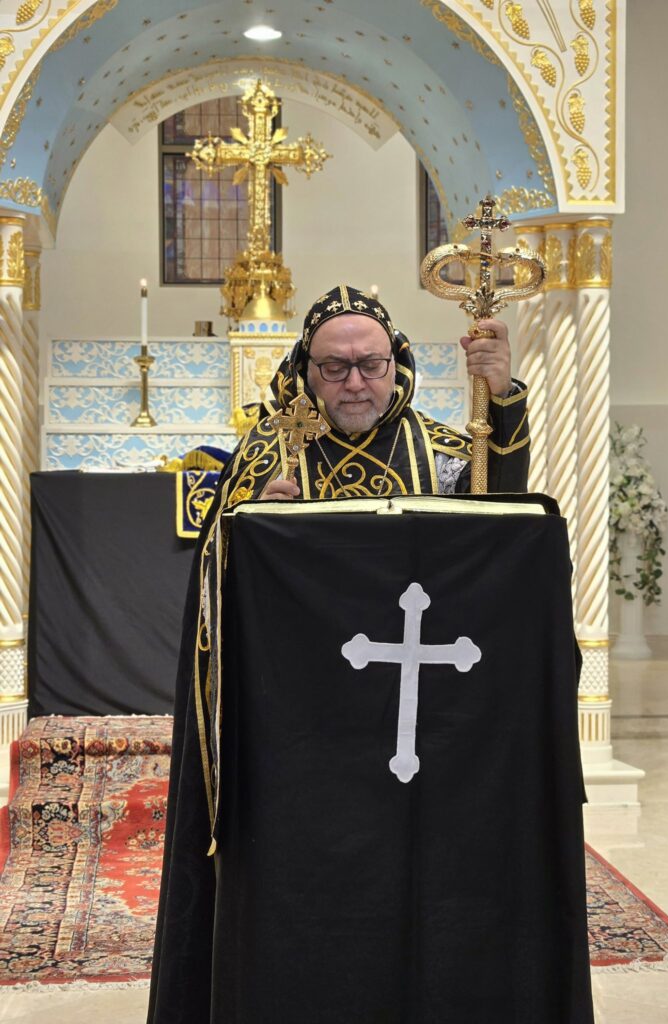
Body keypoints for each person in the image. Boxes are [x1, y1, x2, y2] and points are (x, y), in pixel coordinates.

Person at [146, 285, 533, 1023]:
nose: (355, 383)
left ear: (398, 364)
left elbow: (501, 546)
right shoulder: (269, 455)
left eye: (370, 365)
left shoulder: (448, 455)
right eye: (334, 368)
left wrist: (503, 396)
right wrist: (256, 531)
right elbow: (214, 593)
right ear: (305, 371)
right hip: (302, 746)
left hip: (415, 741)